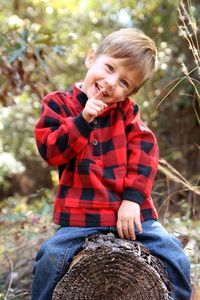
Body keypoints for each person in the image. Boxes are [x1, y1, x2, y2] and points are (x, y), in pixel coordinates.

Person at [32, 28, 191, 300]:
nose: (110, 82)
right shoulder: (58, 104)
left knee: (176, 255)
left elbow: (145, 152)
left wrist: (132, 200)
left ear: (129, 93)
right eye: (109, 67)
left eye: (124, 83)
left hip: (132, 216)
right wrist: (81, 122)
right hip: (80, 219)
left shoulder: (127, 113)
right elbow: (51, 151)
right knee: (49, 260)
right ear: (91, 58)